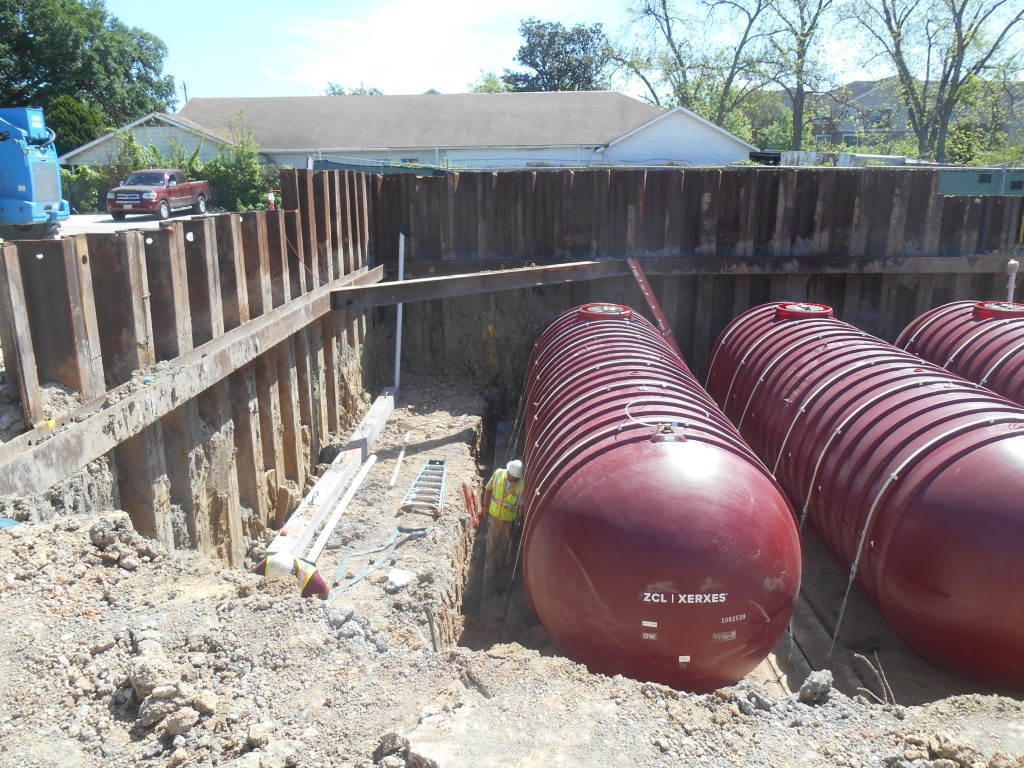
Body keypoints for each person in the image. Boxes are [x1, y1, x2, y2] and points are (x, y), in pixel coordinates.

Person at [482, 459, 524, 584]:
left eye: (516, 477)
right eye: (513, 476)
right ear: (508, 471)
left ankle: (510, 567)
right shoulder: (498, 474)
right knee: (494, 542)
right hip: (495, 516)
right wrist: (485, 505)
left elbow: (522, 504)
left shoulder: (522, 483)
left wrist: (521, 519)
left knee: (511, 545)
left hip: (511, 520)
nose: (514, 478)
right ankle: (492, 566)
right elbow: (488, 489)